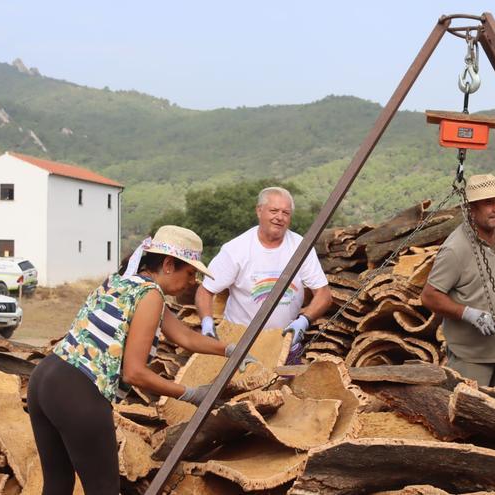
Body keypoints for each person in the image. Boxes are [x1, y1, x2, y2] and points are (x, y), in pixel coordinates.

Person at [27, 225, 258, 494]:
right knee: (103, 489)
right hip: (77, 390)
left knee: (57, 485)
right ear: (169, 264)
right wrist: (190, 394)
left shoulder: (125, 280)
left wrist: (230, 349)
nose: (193, 281)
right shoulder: (150, 295)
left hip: (45, 378)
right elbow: (134, 373)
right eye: (191, 272)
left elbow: (184, 336)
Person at [421, 174, 495, 391]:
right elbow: (429, 296)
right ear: (470, 208)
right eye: (488, 203)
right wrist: (469, 314)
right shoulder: (456, 248)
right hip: (470, 357)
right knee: (469, 416)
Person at [195, 186, 331, 355]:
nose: (279, 217)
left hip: (284, 343)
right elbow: (205, 290)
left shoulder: (301, 247)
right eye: (273, 210)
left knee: (285, 382)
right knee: (236, 381)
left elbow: (324, 294)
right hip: (239, 343)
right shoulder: (236, 249)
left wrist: (304, 321)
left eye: (285, 213)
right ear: (259, 211)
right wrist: (207, 323)